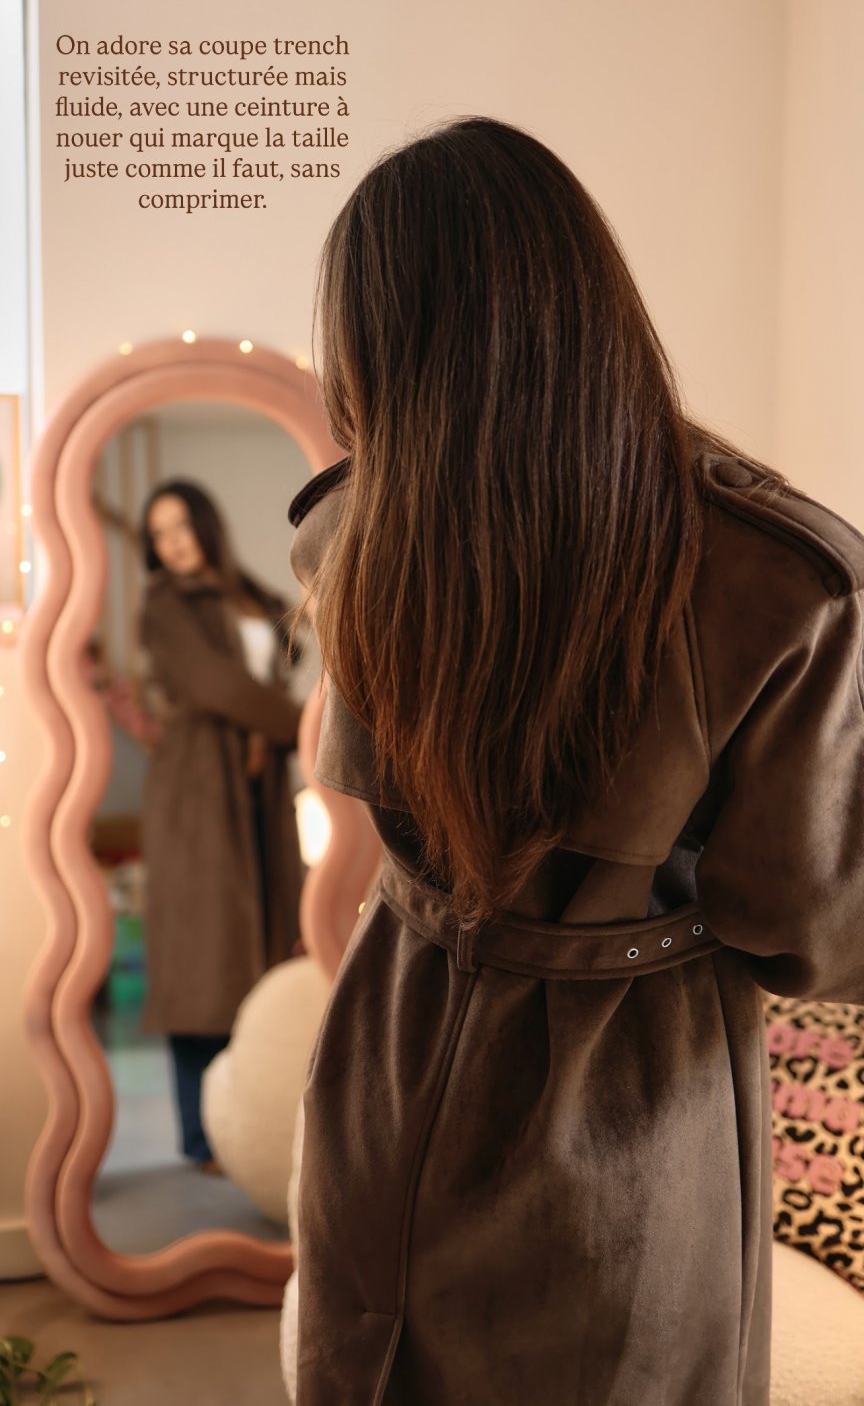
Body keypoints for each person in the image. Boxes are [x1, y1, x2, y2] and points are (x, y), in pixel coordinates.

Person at [283, 117, 864, 1406]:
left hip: (391, 1053)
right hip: (622, 1121)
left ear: (374, 337)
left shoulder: (346, 538)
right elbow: (814, 935)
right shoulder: (774, 578)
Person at [138, 478, 305, 1170]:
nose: (172, 543)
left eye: (181, 526)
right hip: (199, 791)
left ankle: (251, 1126)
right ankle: (201, 1136)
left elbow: (285, 653)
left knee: (258, 950)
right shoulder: (164, 603)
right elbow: (217, 686)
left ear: (206, 525)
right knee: (202, 962)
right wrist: (306, 726)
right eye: (159, 534)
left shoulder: (247, 594)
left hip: (257, 792)